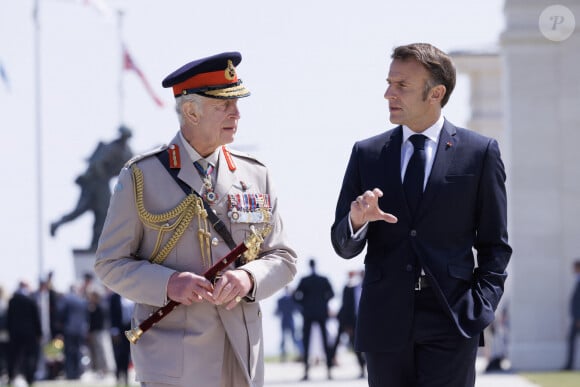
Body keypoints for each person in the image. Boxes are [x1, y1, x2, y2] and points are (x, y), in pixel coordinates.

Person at [94, 51, 297, 387]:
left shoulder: (255, 174)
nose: (237, 114)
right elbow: (110, 263)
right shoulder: (141, 177)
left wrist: (248, 278)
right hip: (173, 362)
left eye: (237, 103)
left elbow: (283, 258)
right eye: (225, 105)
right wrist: (168, 284)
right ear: (190, 111)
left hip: (242, 359)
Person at [330, 42, 512, 387]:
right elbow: (342, 244)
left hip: (452, 315)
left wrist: (480, 307)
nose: (388, 94)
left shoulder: (480, 153)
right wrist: (357, 221)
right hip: (385, 319)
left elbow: (495, 246)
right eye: (388, 83)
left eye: (401, 86)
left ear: (436, 92)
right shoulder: (366, 153)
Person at [50, 125, 133, 252]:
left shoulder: (125, 150)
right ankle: (57, 224)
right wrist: (101, 177)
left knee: (102, 215)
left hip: (101, 184)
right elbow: (97, 164)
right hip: (94, 185)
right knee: (80, 211)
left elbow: (132, 161)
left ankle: (96, 244)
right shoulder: (110, 148)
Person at [293, 258, 334, 381]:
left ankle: (306, 372)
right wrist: (323, 302)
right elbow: (332, 293)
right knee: (325, 342)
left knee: (306, 343)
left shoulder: (304, 280)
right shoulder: (323, 279)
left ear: (308, 265)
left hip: (308, 314)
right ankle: (329, 371)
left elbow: (295, 296)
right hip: (321, 313)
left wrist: (303, 304)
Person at [6, 281, 42, 387]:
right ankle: (29, 378)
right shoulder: (31, 300)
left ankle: (11, 376)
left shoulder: (12, 301)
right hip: (30, 333)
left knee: (13, 356)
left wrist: (9, 332)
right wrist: (39, 333)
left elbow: (9, 319)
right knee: (30, 356)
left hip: (15, 333)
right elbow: (36, 318)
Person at [330, 270, 366, 378]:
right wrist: (348, 325)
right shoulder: (349, 288)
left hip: (360, 321)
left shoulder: (367, 288)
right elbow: (346, 307)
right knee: (354, 346)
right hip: (349, 321)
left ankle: (363, 368)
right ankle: (329, 367)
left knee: (360, 347)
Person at [109, 291, 134, 386]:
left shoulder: (132, 295)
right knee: (118, 354)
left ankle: (126, 377)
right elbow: (112, 314)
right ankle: (118, 376)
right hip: (119, 330)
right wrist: (114, 330)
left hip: (130, 329)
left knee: (127, 353)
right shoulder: (115, 297)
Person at [275, 286, 302, 362]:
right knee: (287, 339)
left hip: (287, 320)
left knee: (290, 339)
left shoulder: (282, 300)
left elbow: (277, 312)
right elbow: (298, 309)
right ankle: (285, 356)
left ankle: (298, 354)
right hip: (288, 320)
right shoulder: (289, 300)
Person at [563, 259, 580, 370]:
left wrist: (578, 318)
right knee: (570, 340)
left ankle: (569, 366)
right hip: (576, 318)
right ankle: (569, 365)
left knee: (571, 340)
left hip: (578, 319)